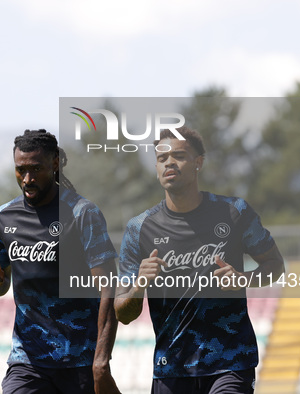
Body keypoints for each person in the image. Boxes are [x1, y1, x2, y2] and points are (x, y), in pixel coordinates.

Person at [114, 126, 285, 394]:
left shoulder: (234, 212)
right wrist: (139, 285)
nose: (169, 162)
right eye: (161, 159)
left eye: (179, 155)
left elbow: (275, 265)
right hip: (171, 368)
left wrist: (244, 279)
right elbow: (123, 313)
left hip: (230, 361)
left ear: (198, 163)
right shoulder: (139, 228)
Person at [0, 129, 120, 394]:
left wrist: (101, 361)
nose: (28, 179)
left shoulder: (82, 214)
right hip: (28, 360)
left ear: (55, 163)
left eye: (36, 169)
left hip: (80, 359)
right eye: (20, 170)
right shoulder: (3, 217)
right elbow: (2, 280)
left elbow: (108, 288)